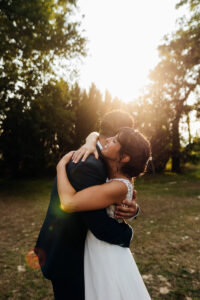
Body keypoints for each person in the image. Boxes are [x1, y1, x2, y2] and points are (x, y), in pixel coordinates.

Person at [34, 110, 139, 300]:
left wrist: (134, 209)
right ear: (115, 136)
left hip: (75, 251)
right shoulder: (91, 164)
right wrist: (128, 233)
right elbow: (99, 225)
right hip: (68, 255)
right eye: (124, 137)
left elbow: (112, 195)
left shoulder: (101, 157)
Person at [57, 127, 151, 300]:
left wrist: (60, 166)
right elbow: (96, 134)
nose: (108, 140)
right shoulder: (120, 178)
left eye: (115, 140)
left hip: (105, 251)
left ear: (124, 157)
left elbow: (68, 203)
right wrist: (90, 140)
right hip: (97, 245)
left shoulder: (119, 186)